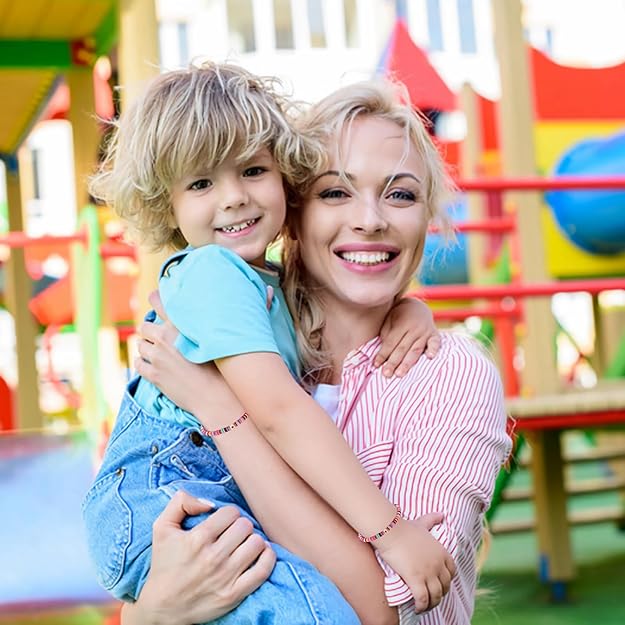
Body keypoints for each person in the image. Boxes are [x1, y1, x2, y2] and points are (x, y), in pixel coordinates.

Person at [125, 80, 512, 625]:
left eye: (400, 194)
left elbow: (389, 611)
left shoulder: (445, 372)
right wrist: (152, 615)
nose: (371, 219)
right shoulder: (250, 325)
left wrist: (220, 411)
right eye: (336, 192)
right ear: (294, 215)